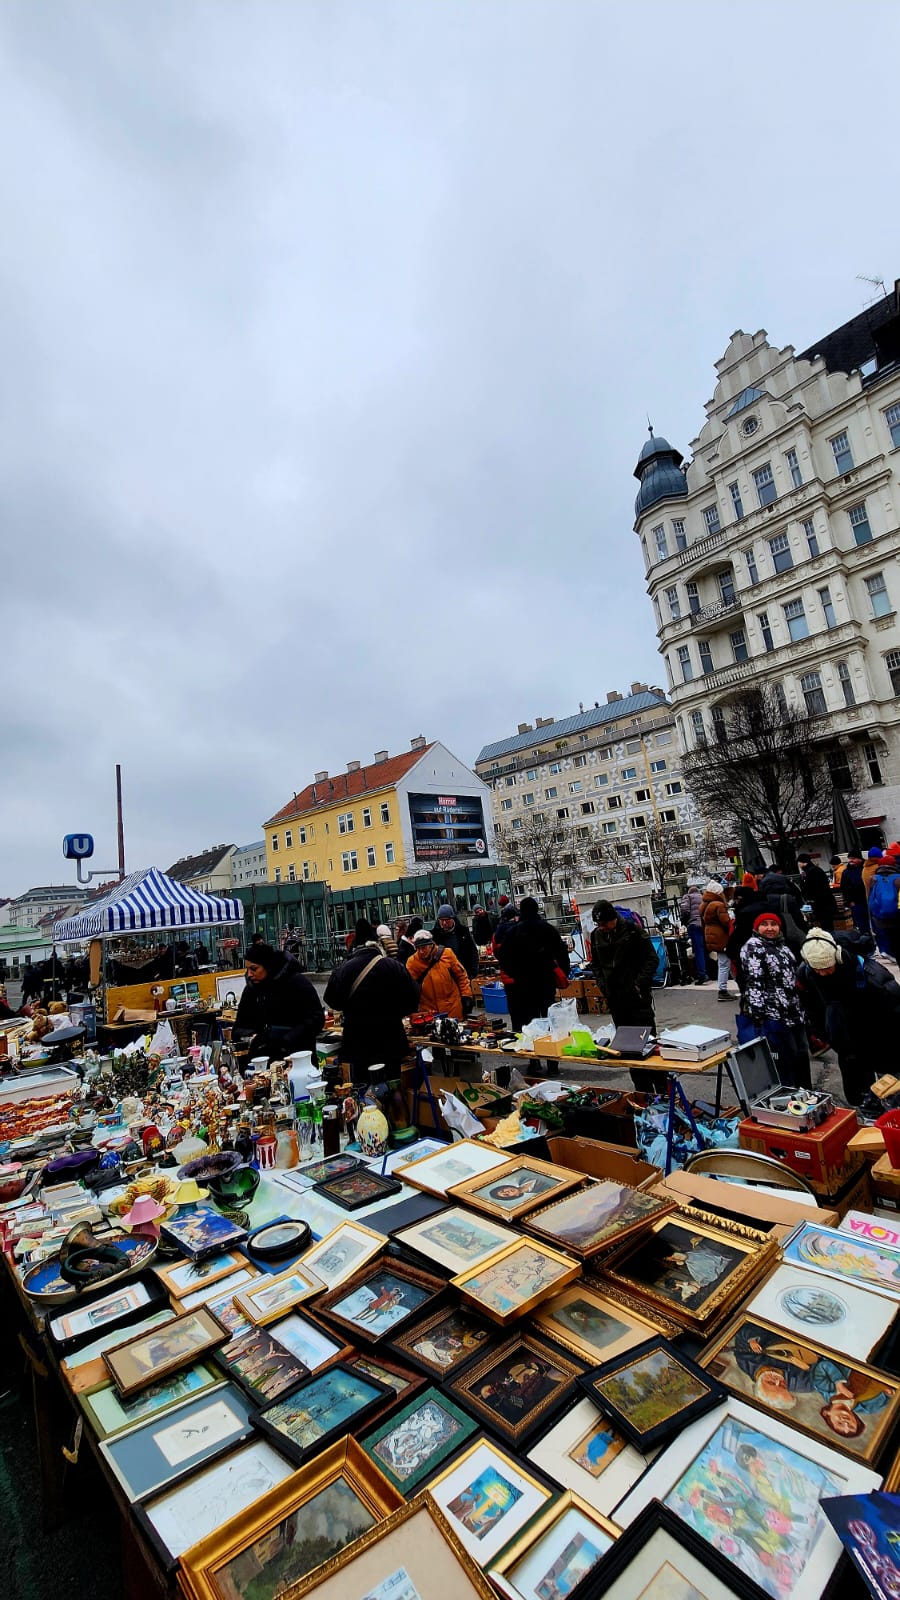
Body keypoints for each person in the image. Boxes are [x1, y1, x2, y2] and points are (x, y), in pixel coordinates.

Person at [799, 929, 900, 1115]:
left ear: (837, 957)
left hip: (880, 1037)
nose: (822, 973)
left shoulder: (872, 975)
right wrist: (823, 1032)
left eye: (827, 967)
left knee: (891, 1086)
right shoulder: (806, 973)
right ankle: (866, 1117)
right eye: (817, 969)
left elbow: (896, 1010)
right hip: (846, 1043)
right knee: (858, 1095)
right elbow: (810, 1006)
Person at [324, 939, 419, 1084]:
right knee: (392, 1083)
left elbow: (332, 1001)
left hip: (357, 1040)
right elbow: (413, 998)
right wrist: (396, 1013)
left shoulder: (344, 969)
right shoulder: (393, 966)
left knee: (362, 1084)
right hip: (391, 1037)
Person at [737, 912, 811, 1088]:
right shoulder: (753, 947)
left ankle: (807, 1094)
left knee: (801, 1055)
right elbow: (754, 983)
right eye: (765, 924)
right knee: (786, 1059)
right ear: (757, 928)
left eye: (773, 924)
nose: (770, 928)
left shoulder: (782, 946)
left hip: (794, 1012)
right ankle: (792, 1096)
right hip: (774, 1015)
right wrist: (758, 1015)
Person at [233, 943, 325, 1062]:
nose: (249, 974)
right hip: (262, 1062)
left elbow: (316, 1019)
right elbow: (238, 1028)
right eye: (247, 969)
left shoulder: (296, 983)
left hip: (298, 1058)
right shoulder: (251, 990)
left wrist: (286, 1038)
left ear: (268, 966)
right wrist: (256, 1037)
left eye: (254, 969)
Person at [496, 897, 570, 1032]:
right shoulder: (548, 929)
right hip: (546, 982)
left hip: (523, 985)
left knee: (530, 1025)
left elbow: (503, 958)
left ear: (521, 911)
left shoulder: (513, 932)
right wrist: (562, 973)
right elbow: (562, 953)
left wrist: (516, 975)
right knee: (550, 1021)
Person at [405, 929, 472, 1020]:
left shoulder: (447, 954)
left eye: (423, 947)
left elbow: (461, 976)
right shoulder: (412, 962)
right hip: (429, 1012)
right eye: (418, 948)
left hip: (452, 1008)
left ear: (431, 945)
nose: (421, 951)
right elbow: (409, 988)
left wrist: (466, 996)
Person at [700, 881, 733, 1001]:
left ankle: (723, 988)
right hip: (721, 936)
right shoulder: (718, 905)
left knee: (722, 963)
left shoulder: (704, 904)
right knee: (725, 964)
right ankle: (723, 990)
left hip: (712, 936)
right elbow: (726, 921)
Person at [867, 847, 900, 962]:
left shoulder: (874, 879)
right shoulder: (898, 879)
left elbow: (871, 898)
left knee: (889, 937)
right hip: (897, 916)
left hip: (880, 917)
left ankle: (888, 951)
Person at [430, 905, 479, 979]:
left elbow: (473, 951)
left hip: (463, 973)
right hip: (444, 977)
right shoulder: (434, 936)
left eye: (447, 920)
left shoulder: (463, 932)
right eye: (441, 920)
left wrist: (473, 972)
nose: (444, 923)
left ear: (452, 919)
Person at [797, 854, 837, 932]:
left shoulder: (811, 872)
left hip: (822, 905)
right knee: (826, 926)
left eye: (799, 862)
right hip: (822, 904)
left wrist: (811, 901)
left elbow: (814, 889)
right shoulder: (813, 870)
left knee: (826, 927)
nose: (798, 864)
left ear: (803, 862)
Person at [680, 884, 709, 985]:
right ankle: (706, 971)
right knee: (704, 949)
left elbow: (685, 910)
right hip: (703, 925)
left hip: (693, 925)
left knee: (698, 950)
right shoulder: (702, 897)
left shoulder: (687, 897)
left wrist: (684, 922)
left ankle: (702, 975)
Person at [840, 849, 870, 936]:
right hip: (856, 902)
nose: (850, 861)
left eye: (853, 858)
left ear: (859, 859)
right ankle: (866, 940)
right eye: (849, 858)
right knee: (862, 924)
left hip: (869, 900)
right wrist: (849, 901)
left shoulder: (866, 868)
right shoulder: (846, 872)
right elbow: (844, 888)